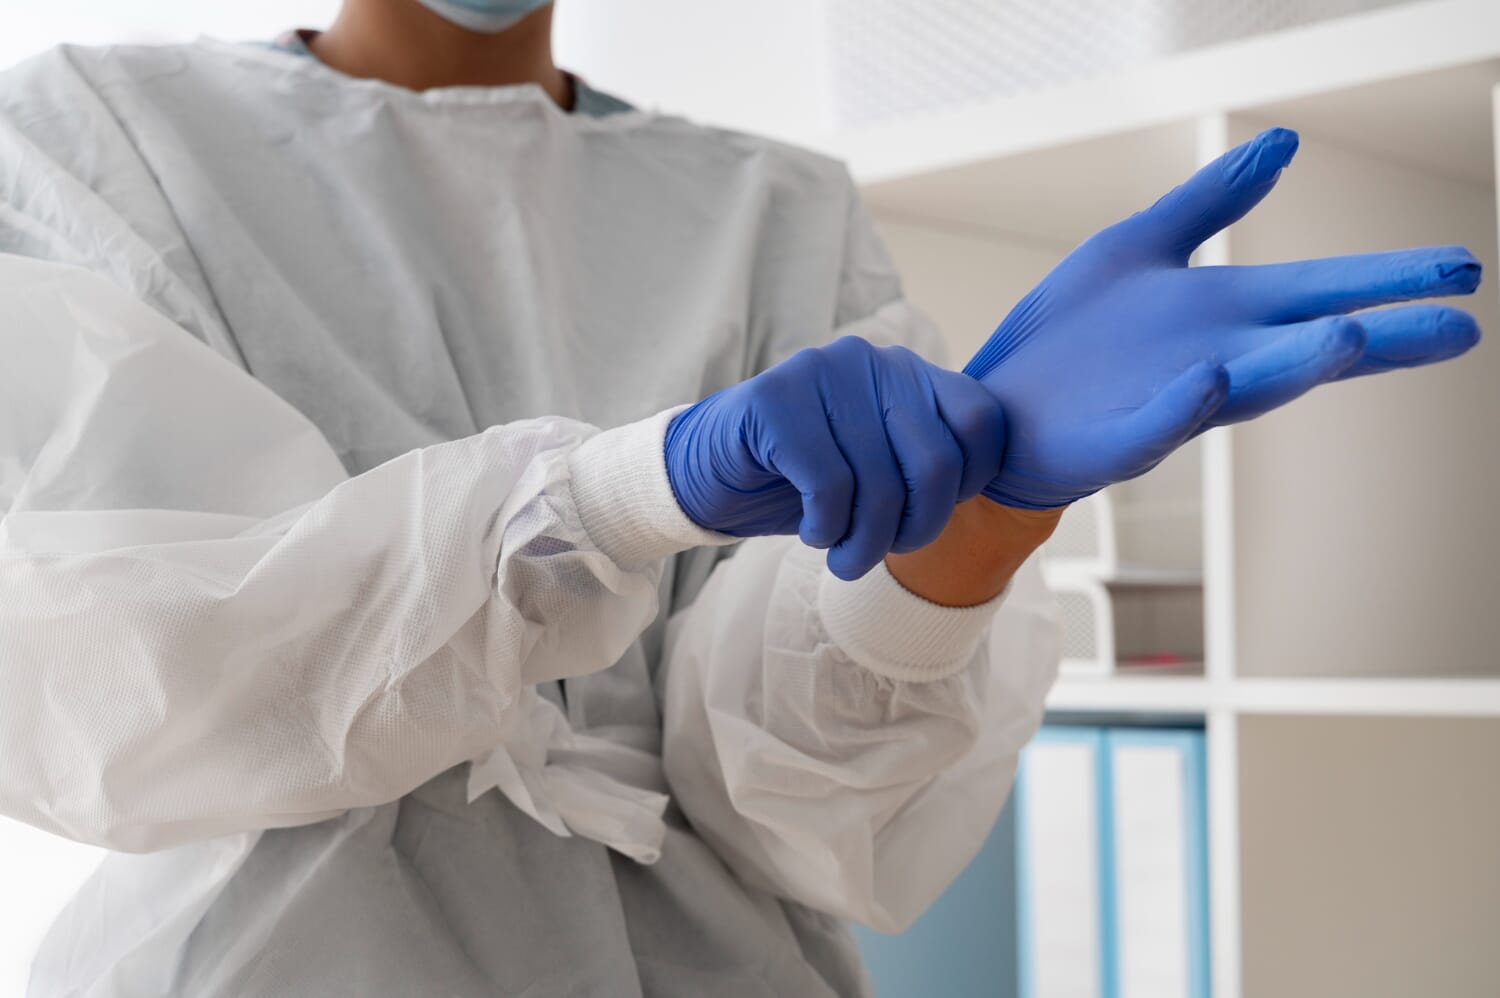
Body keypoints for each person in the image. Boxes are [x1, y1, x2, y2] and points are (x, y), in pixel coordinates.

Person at [0, 1, 1480, 994]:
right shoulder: (89, 140)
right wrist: (622, 496)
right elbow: (122, 683)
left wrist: (982, 514)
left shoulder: (779, 206)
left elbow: (796, 816)